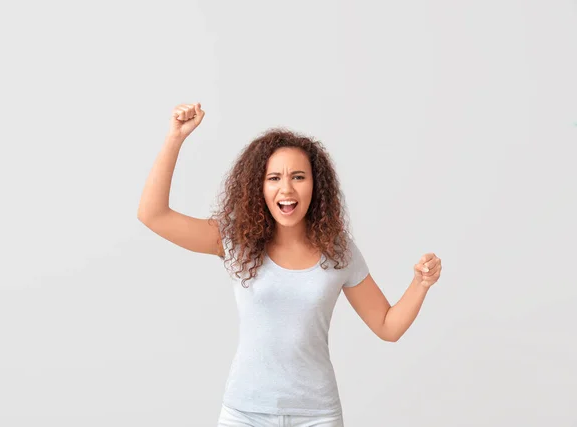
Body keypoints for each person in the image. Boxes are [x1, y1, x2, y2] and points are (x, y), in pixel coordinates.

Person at [137, 103, 443, 427]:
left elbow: (387, 325)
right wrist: (175, 137)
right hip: (245, 413)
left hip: (317, 416)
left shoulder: (338, 251)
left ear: (316, 186)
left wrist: (420, 284)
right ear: (259, 187)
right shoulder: (236, 241)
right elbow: (152, 214)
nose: (286, 188)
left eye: (298, 177)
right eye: (274, 178)